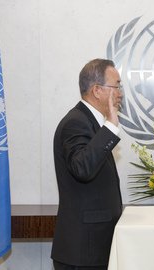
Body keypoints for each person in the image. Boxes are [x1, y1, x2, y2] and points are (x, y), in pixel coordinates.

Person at [51, 59, 123, 270]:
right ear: (97, 90)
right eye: (116, 86)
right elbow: (82, 169)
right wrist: (110, 127)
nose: (120, 93)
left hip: (94, 247)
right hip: (83, 251)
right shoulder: (75, 123)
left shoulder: (91, 122)